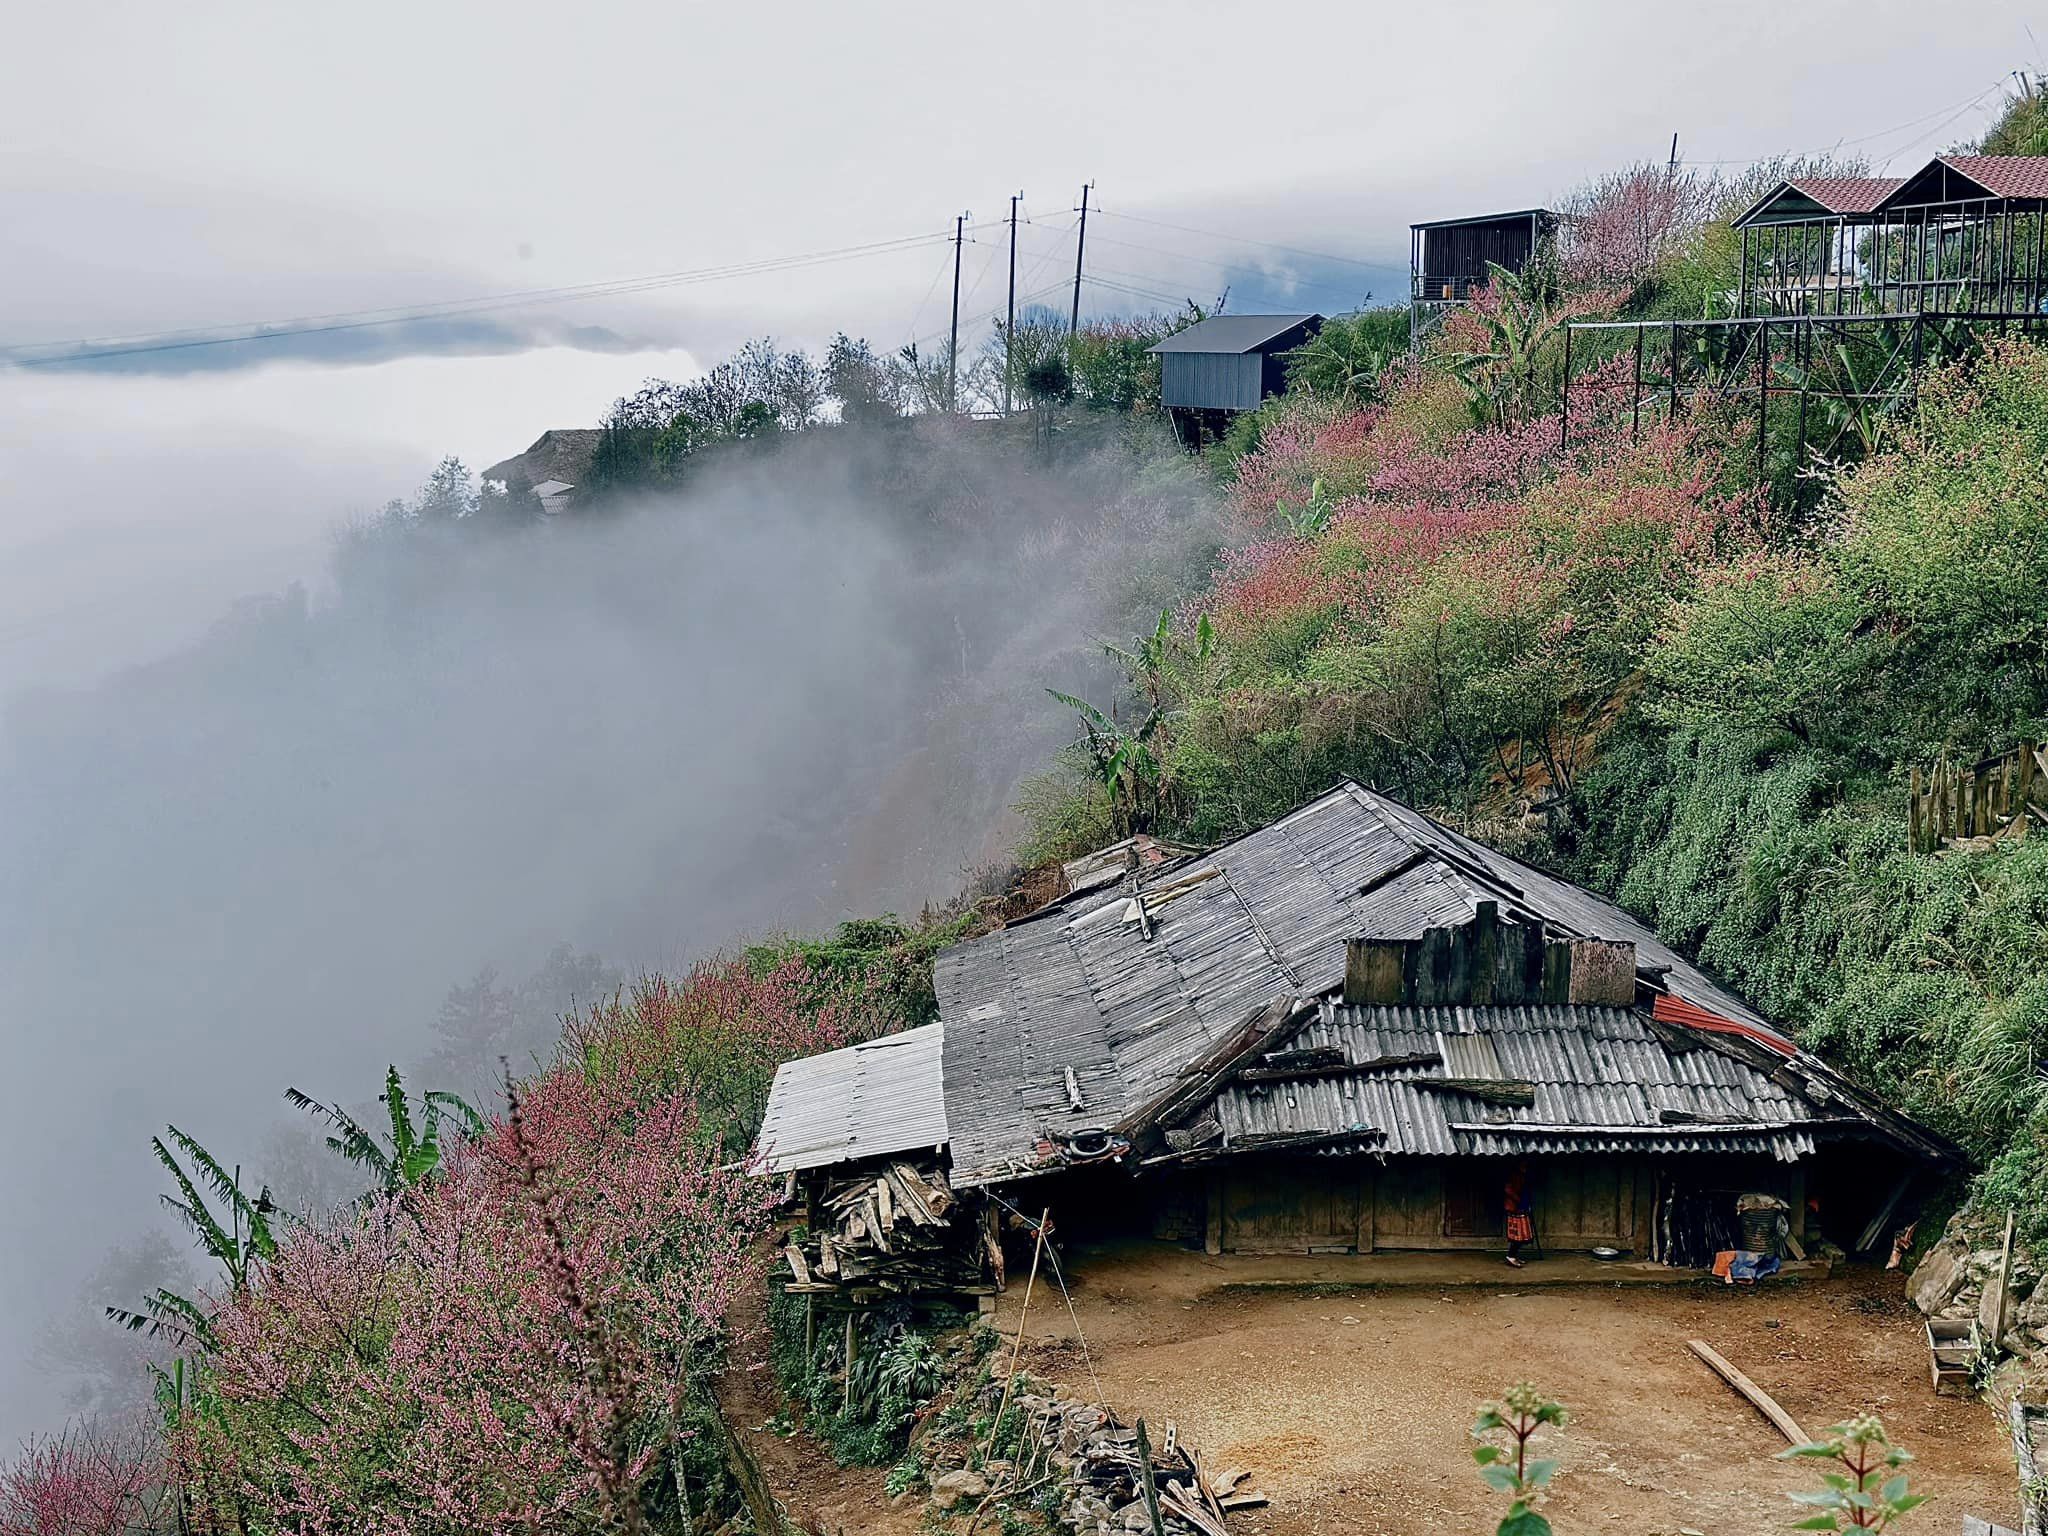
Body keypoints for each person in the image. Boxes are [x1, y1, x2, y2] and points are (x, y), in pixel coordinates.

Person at [1504, 1162, 1535, 1267]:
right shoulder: (1514, 1175)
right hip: (1515, 1208)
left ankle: (1513, 1255)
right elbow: (1508, 1189)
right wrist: (1518, 1200)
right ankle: (1511, 1256)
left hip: (1521, 1207)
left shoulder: (1523, 1176)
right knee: (1517, 1234)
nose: (1524, 1168)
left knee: (1522, 1234)